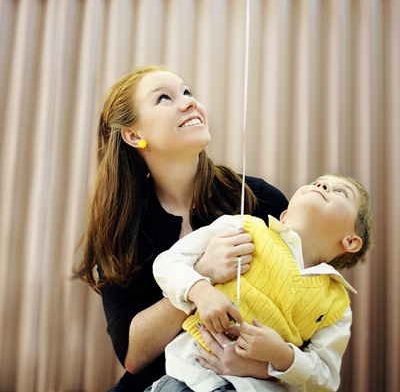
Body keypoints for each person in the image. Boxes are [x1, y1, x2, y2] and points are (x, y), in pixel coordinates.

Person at [74, 65, 288, 391]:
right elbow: (132, 355)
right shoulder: (122, 225)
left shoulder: (260, 201)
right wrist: (200, 276)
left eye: (187, 92)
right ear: (134, 135)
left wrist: (264, 368)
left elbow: (312, 321)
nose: (190, 102)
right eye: (164, 98)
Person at [151, 174, 373, 392]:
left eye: (341, 192)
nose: (322, 185)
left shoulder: (337, 306)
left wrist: (282, 356)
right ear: (285, 216)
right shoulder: (242, 227)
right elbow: (166, 263)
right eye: (316, 182)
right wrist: (200, 290)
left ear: (351, 241)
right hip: (188, 379)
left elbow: (325, 380)